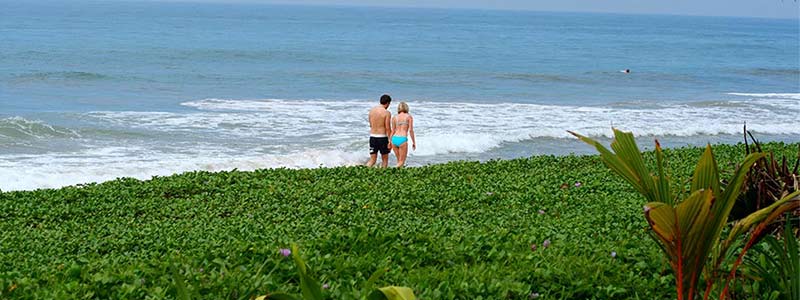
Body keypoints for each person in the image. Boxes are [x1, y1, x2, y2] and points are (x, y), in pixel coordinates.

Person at [367, 94, 393, 167]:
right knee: (384, 160)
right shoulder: (386, 113)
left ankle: (363, 172)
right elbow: (388, 128)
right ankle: (383, 176)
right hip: (382, 138)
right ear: (387, 103)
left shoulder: (372, 111)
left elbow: (371, 124)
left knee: (372, 160)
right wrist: (390, 141)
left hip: (372, 137)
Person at [390, 102, 416, 168]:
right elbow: (411, 130)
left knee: (399, 161)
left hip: (394, 138)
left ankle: (397, 175)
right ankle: (391, 171)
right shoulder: (409, 117)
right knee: (402, 162)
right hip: (402, 139)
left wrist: (389, 141)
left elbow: (393, 131)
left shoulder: (394, 117)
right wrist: (413, 142)